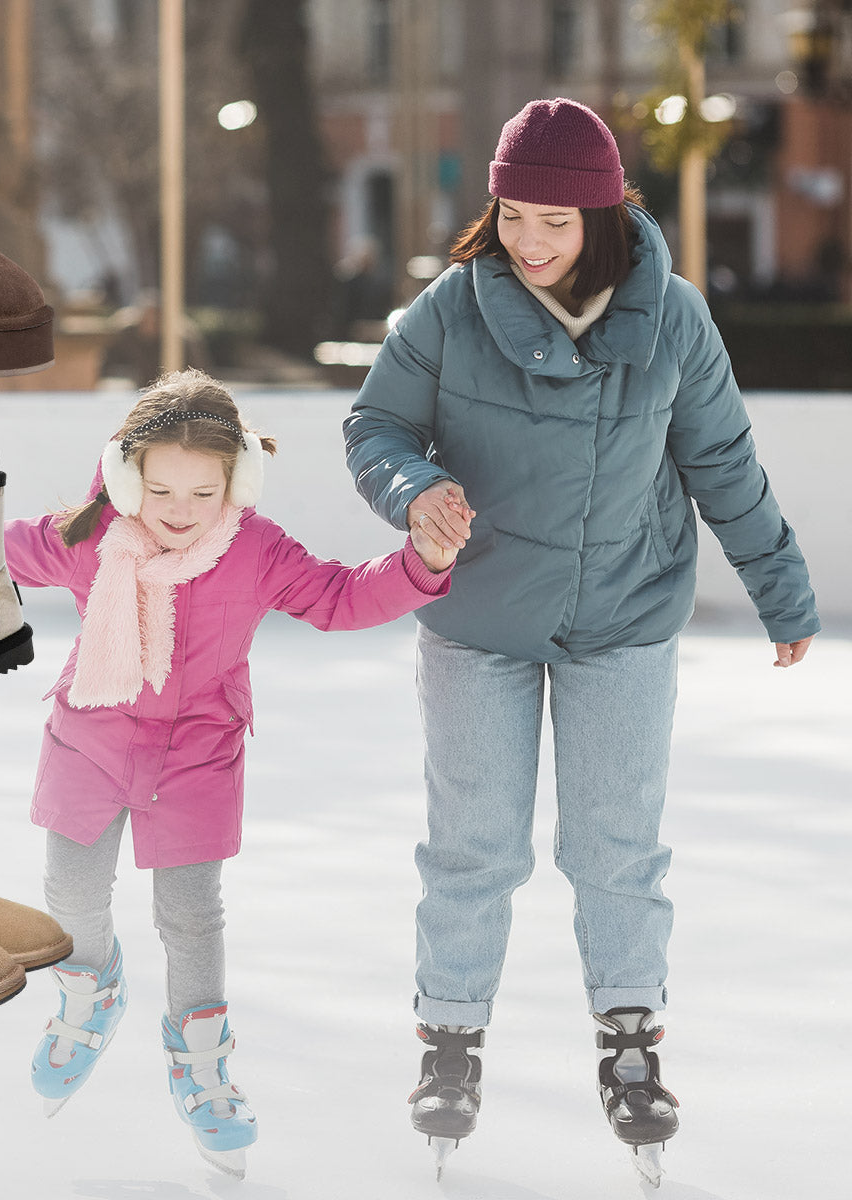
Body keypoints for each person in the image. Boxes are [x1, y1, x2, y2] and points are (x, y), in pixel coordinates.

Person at [342, 98, 819, 1181]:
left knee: (616, 847)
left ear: (603, 215)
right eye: (514, 215)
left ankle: (631, 1039)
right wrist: (414, 489)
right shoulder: (452, 311)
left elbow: (722, 465)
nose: (532, 241)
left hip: (625, 613)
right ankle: (451, 1038)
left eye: (555, 220)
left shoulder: (678, 317)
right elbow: (374, 426)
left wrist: (782, 592)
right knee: (474, 845)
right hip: (478, 620)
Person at [3, 368, 471, 1178]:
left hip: (196, 753)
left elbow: (337, 597)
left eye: (202, 492)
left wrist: (421, 561)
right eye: (161, 490)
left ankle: (202, 1063)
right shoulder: (91, 533)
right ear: (127, 476)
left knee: (191, 916)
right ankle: (90, 994)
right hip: (91, 735)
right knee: (71, 893)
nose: (180, 512)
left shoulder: (254, 548)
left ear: (235, 483)